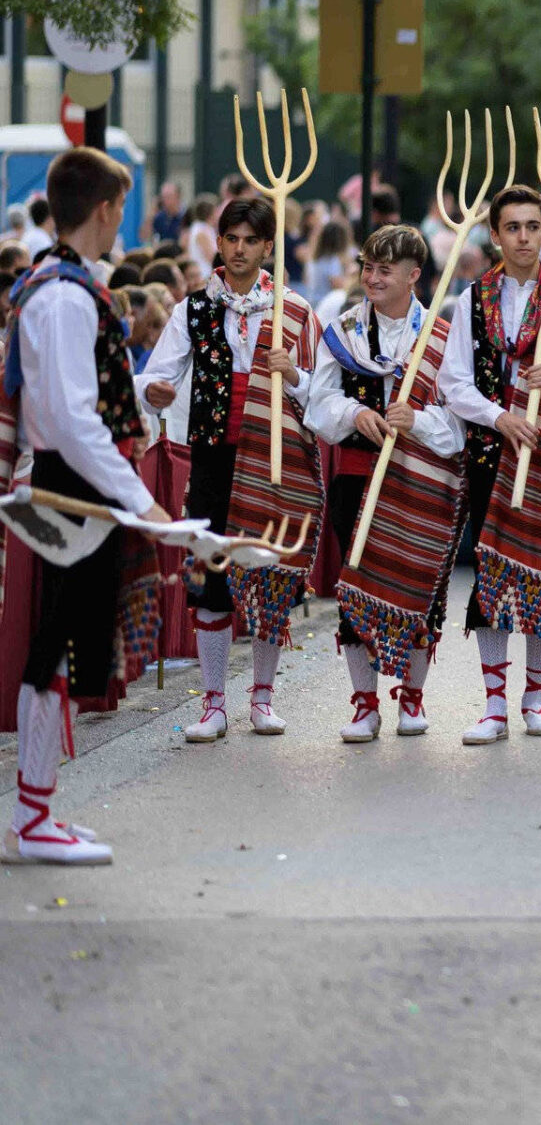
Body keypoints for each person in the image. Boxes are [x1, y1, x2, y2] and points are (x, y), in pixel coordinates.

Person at [2, 148, 169, 865]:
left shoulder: (53, 283)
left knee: (62, 646)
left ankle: (35, 811)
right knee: (58, 647)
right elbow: (72, 418)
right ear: (104, 209)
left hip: (68, 476)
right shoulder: (66, 294)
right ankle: (33, 819)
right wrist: (141, 500)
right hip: (74, 481)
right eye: (120, 208)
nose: (121, 220)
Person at [135, 197, 324, 741]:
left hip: (274, 455)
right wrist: (155, 391)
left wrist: (294, 376)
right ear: (218, 243)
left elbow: (324, 394)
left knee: (269, 575)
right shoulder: (192, 309)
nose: (239, 250)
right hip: (214, 455)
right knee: (211, 574)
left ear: (268, 247)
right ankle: (214, 703)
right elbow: (155, 377)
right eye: (231, 239)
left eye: (251, 240)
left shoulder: (294, 309)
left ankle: (263, 698)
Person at [439, 185, 541, 745]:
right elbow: (452, 380)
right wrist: (498, 416)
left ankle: (535, 697)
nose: (524, 238)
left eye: (533, 226)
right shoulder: (472, 299)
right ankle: (493, 704)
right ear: (495, 235)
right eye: (512, 227)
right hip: (492, 449)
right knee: (492, 572)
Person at [305, 225, 465, 742]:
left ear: (414, 275)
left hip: (421, 479)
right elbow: (319, 403)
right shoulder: (344, 330)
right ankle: (364, 704)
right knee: (355, 588)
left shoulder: (441, 336)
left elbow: (459, 418)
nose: (372, 278)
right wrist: (354, 413)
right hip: (357, 475)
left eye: (385, 270)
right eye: (367, 268)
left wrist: (416, 421)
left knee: (422, 586)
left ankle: (412, 697)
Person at [184, 194, 219, 285]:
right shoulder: (202, 231)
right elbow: (212, 257)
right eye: (216, 211)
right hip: (204, 275)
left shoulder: (202, 228)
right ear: (210, 213)